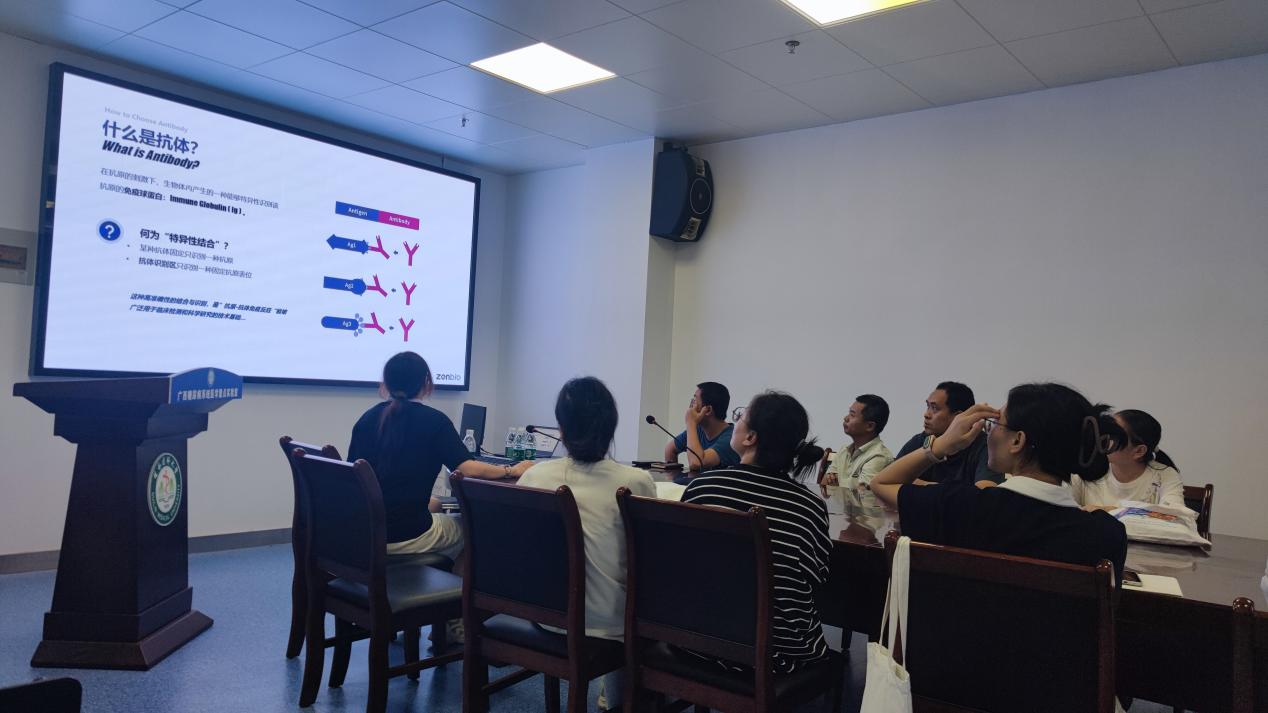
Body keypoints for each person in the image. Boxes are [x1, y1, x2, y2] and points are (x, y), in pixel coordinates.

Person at [869, 383, 1128, 580]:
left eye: (994, 423)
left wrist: (943, 444)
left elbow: (882, 483)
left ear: (1017, 441)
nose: (988, 431)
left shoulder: (961, 505)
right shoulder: (1107, 534)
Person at [518, 377, 657, 712]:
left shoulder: (535, 476)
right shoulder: (636, 482)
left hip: (543, 613)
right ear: (611, 427)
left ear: (561, 429)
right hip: (606, 624)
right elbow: (650, 563)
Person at [681, 391, 831, 674]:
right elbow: (819, 580)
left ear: (750, 438)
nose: (735, 422)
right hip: (774, 655)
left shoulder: (703, 487)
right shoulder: (808, 506)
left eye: (740, 417)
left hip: (694, 640)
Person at [348, 352, 532, 561]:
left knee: (435, 503)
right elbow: (468, 469)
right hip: (406, 534)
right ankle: (454, 581)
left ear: (386, 382)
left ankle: (420, 575)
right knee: (473, 526)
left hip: (366, 531)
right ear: (426, 382)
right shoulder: (434, 421)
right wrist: (511, 470)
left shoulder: (368, 418)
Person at [1072, 409, 1184, 511]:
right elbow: (1067, 513)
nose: (1101, 439)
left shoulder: (1165, 476)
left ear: (1139, 451)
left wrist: (1107, 511)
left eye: (1112, 436)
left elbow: (1174, 516)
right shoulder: (1085, 469)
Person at [895, 381, 1002, 487]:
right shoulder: (921, 440)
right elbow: (889, 477)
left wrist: (923, 487)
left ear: (958, 417)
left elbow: (985, 492)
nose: (926, 414)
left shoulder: (986, 446)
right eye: (928, 406)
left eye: (934, 408)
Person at [663, 381, 741, 473]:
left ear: (708, 410)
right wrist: (674, 477)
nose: (690, 408)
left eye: (694, 401)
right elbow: (670, 449)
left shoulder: (731, 439)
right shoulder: (699, 430)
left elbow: (696, 463)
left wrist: (690, 423)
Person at [822, 394, 895, 490]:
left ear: (870, 426)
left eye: (852, 415)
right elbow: (824, 487)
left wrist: (836, 485)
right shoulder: (844, 450)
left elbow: (862, 495)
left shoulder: (879, 457)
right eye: (849, 413)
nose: (845, 418)